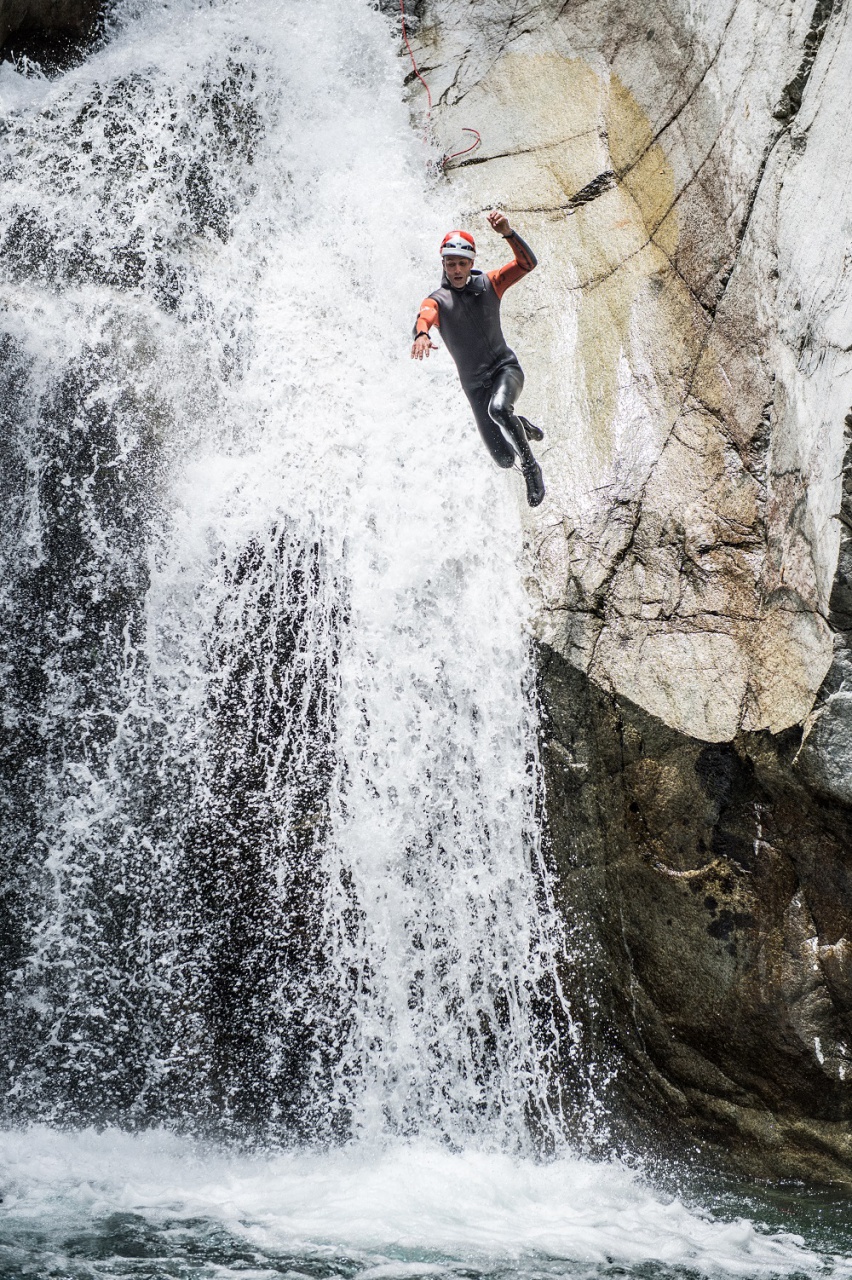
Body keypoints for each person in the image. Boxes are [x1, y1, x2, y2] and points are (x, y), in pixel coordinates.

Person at [411, 209, 545, 507]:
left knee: (499, 410)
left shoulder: (491, 283)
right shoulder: (438, 300)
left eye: (462, 263)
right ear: (443, 265)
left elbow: (527, 264)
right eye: (450, 264)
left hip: (504, 370)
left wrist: (508, 233)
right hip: (476, 390)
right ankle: (521, 425)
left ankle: (532, 468)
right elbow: (425, 315)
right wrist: (422, 334)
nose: (456, 270)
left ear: (472, 263)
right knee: (502, 458)